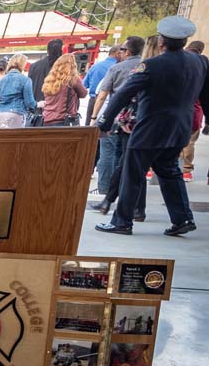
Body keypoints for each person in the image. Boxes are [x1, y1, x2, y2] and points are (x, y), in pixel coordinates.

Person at [95, 16, 209, 237]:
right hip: (180, 129)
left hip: (150, 130)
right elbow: (206, 94)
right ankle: (182, 218)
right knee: (170, 172)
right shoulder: (200, 62)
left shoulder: (151, 65)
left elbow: (122, 95)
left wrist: (104, 122)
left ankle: (122, 221)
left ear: (161, 42)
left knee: (133, 173)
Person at [88, 36, 146, 213]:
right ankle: (115, 200)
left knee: (116, 158)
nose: (119, 52)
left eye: (122, 49)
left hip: (122, 120)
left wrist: (96, 118)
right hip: (139, 121)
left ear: (127, 51)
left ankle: (110, 195)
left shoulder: (119, 68)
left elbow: (103, 94)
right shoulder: (146, 66)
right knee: (126, 162)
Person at [180, 40, 207, 182]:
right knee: (189, 141)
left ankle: (152, 169)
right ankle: (186, 170)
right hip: (195, 109)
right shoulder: (203, 65)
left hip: (176, 108)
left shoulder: (178, 60)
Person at [41, 54, 87, 126]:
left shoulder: (49, 80)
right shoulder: (72, 80)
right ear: (73, 66)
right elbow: (83, 94)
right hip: (64, 121)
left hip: (46, 120)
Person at [0, 54, 37, 128]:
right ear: (22, 65)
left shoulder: (1, 80)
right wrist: (37, 105)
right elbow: (29, 103)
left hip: (0, 114)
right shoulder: (26, 80)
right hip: (16, 113)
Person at [83, 46, 120, 125]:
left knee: (88, 130)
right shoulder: (118, 68)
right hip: (109, 103)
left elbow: (84, 84)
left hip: (93, 101)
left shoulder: (95, 66)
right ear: (117, 54)